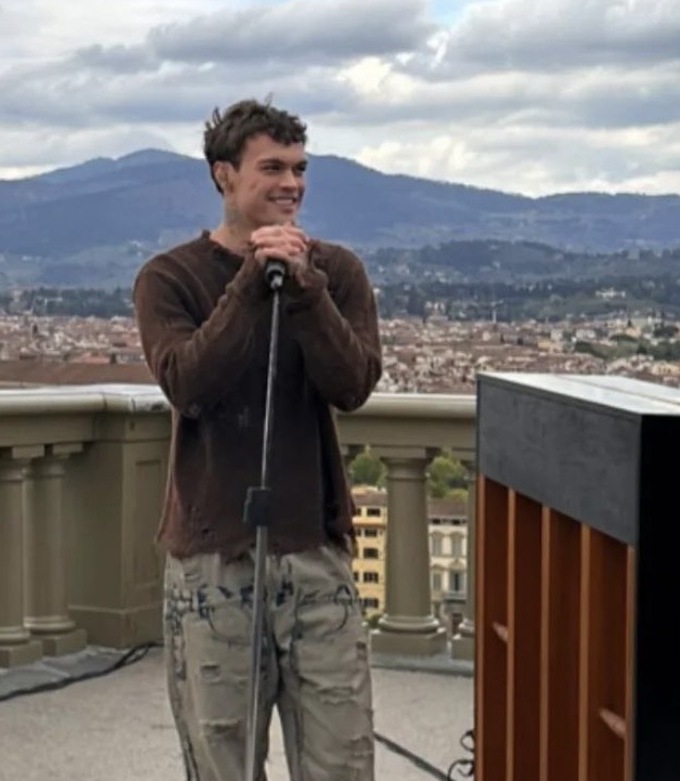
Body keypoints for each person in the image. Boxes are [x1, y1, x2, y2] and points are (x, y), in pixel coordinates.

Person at [132, 98, 383, 780]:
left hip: (315, 549)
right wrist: (251, 281)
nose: (291, 184)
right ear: (224, 176)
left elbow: (353, 382)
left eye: (299, 169)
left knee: (342, 757)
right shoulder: (169, 278)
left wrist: (305, 289)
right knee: (224, 760)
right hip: (213, 556)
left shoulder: (338, 271)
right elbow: (189, 383)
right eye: (271, 167)